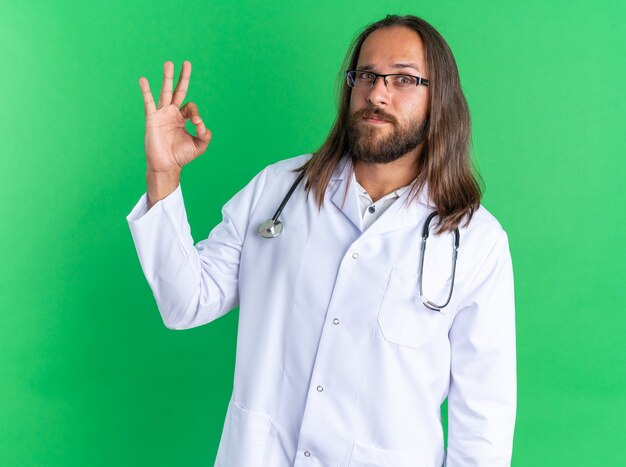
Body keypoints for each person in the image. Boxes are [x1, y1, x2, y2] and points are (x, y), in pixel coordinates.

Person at [127, 14, 516, 467]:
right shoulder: (277, 190)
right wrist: (162, 175)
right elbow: (185, 303)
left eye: (404, 79)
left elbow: (482, 423)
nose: (377, 93)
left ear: (440, 99)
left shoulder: (476, 240)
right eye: (366, 75)